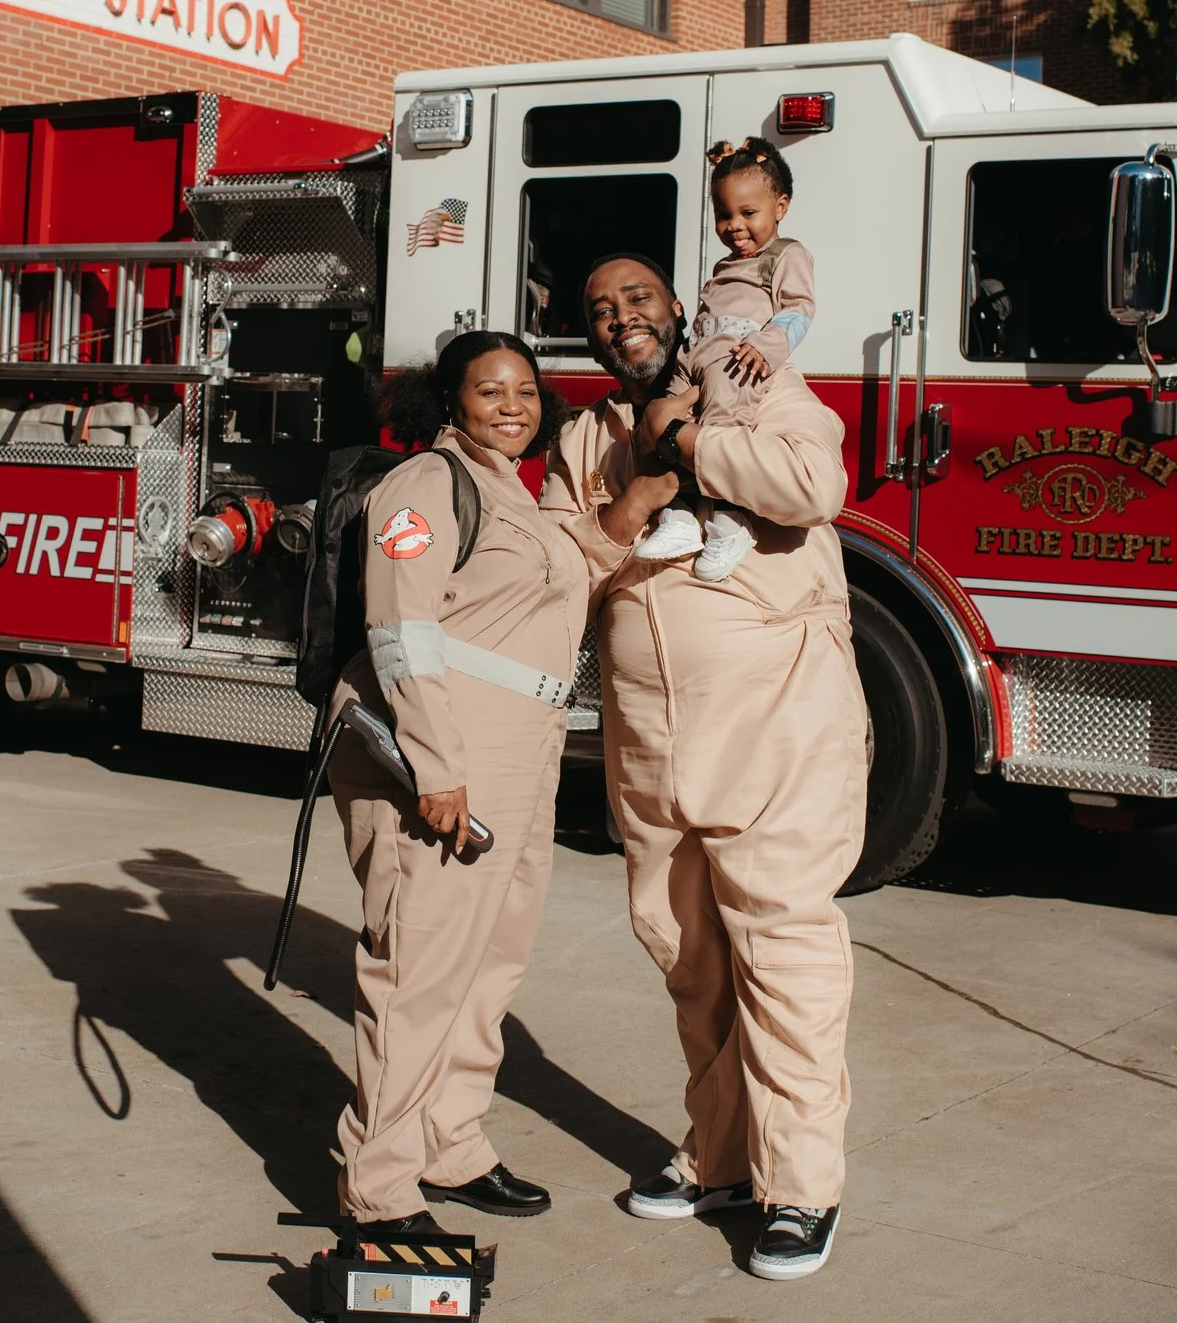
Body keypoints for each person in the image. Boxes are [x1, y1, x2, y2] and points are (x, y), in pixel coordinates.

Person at [539, 253, 867, 1282]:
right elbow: (559, 562)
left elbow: (814, 485)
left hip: (777, 712)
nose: (619, 318)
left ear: (678, 308)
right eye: (600, 309)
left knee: (781, 944)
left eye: (636, 298)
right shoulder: (586, 435)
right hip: (648, 734)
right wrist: (633, 493)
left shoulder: (757, 382)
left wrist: (688, 438)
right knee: (683, 947)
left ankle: (800, 1184)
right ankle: (720, 1156)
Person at [326, 331, 588, 1235]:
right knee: (421, 973)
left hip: (525, 749)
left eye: (526, 389)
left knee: (489, 964)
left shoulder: (515, 491)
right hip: (450, 754)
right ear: (450, 400)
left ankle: (451, 1143)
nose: (512, 404)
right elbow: (403, 631)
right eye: (490, 390)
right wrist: (437, 771)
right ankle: (381, 1185)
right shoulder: (426, 487)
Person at [632, 138, 817, 582]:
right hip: (694, 357)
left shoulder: (786, 254)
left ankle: (731, 521)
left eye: (748, 213)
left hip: (737, 359)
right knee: (665, 427)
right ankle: (678, 516)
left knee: (720, 434)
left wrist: (767, 348)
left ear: (781, 206)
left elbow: (798, 308)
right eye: (723, 214)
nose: (734, 225)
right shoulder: (723, 267)